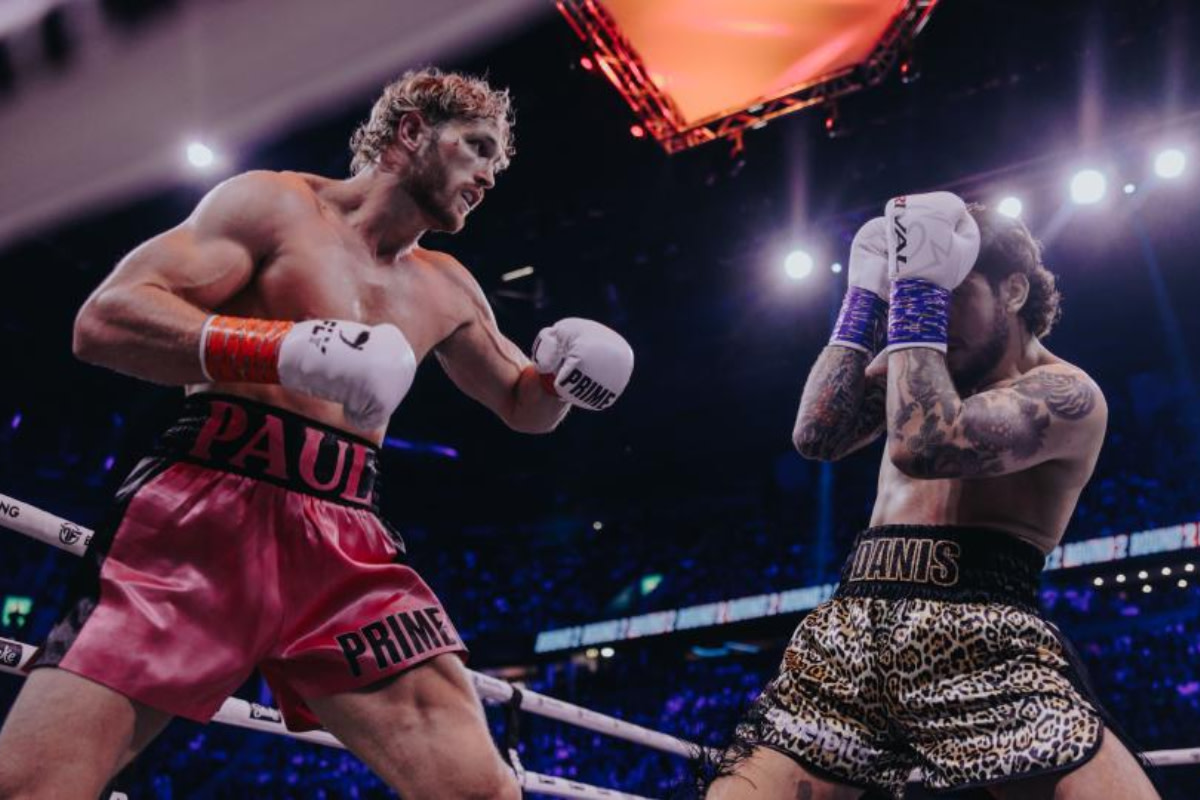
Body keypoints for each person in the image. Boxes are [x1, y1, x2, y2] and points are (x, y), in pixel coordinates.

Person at [0, 68, 633, 799]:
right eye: (477, 147)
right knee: (35, 787)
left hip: (345, 540)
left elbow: (523, 406)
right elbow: (104, 321)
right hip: (203, 516)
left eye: (497, 161)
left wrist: (563, 383)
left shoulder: (450, 286)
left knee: (481, 791)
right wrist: (285, 349)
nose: (489, 174)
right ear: (411, 131)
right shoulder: (272, 206)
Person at [706, 192, 1156, 799]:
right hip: (850, 632)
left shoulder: (1065, 393)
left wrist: (917, 287)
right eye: (920, 299)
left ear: (1014, 291)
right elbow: (817, 435)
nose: (930, 318)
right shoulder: (920, 364)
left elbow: (925, 445)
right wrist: (864, 300)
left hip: (985, 641)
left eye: (951, 295)